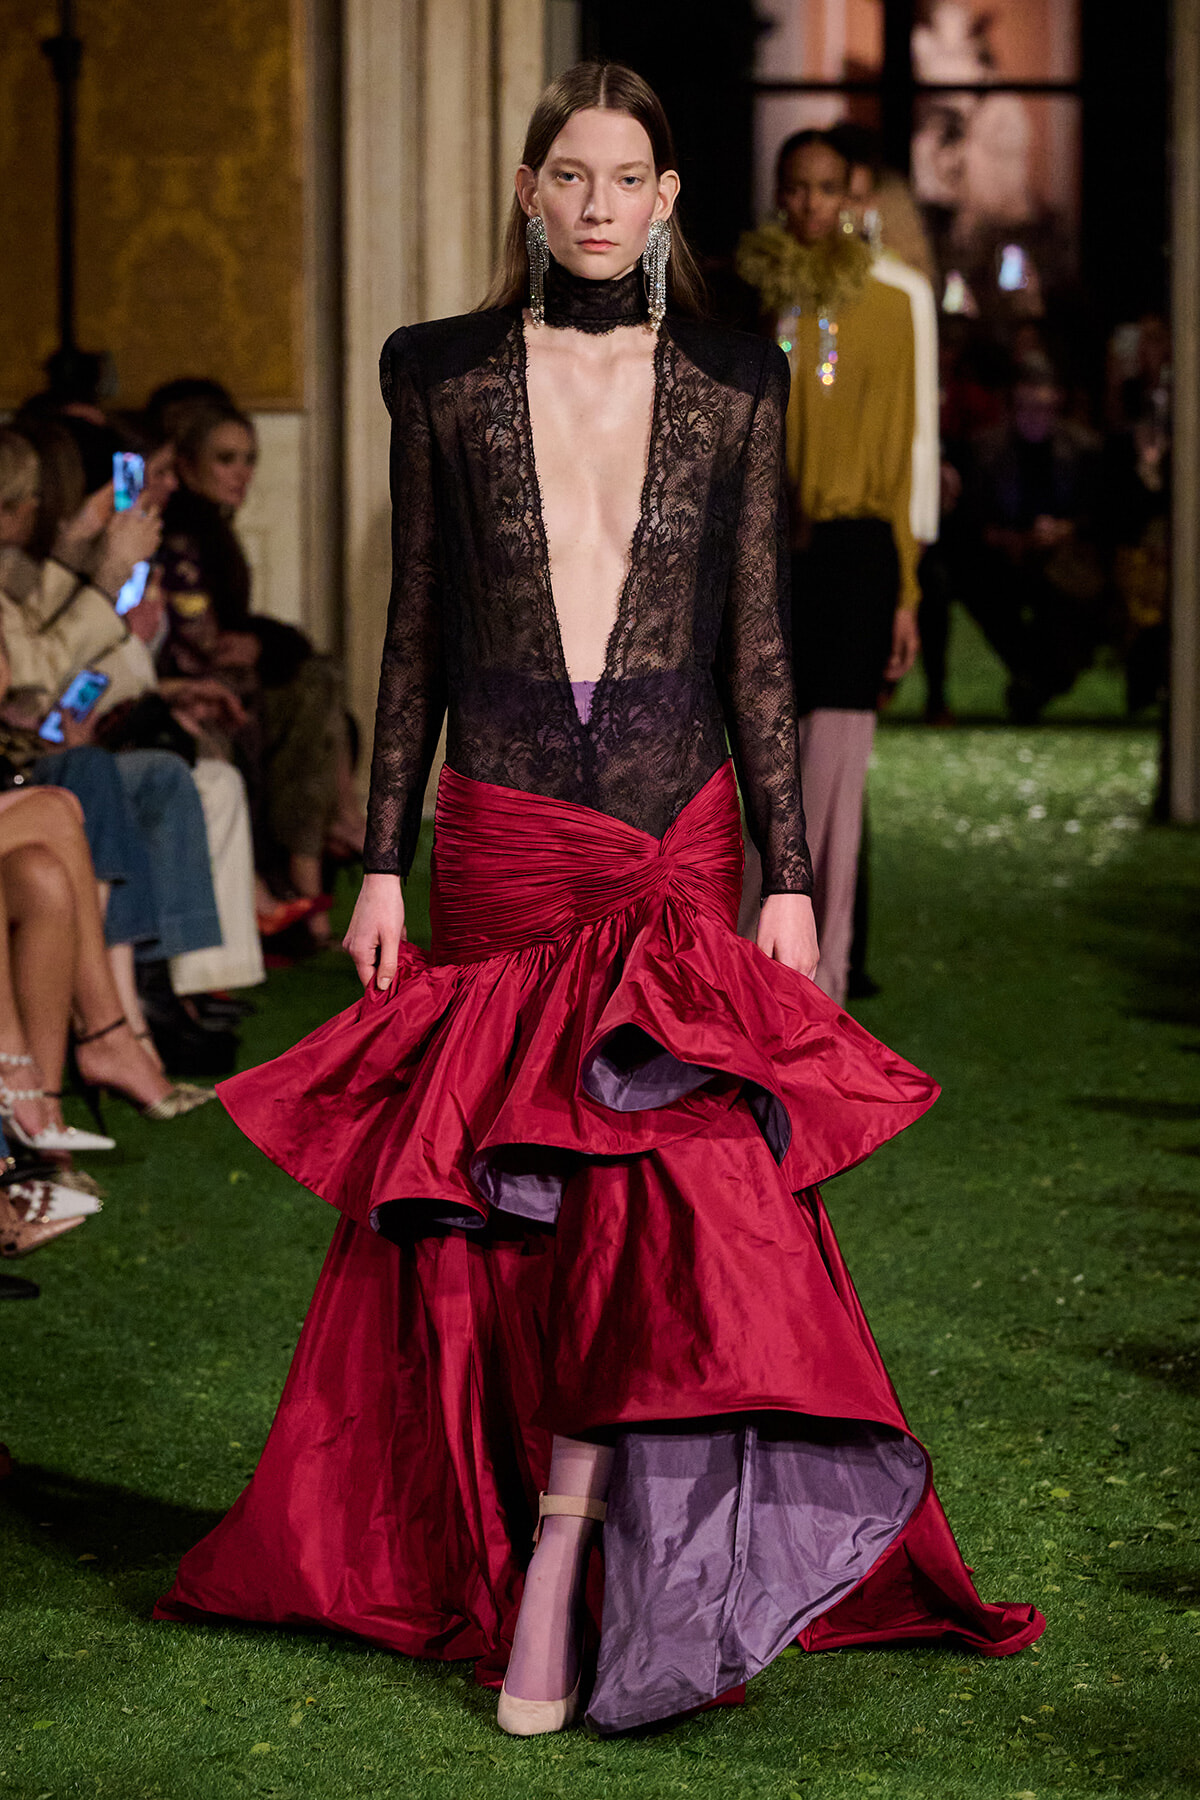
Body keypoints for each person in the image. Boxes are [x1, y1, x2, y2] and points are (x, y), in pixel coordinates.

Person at [157, 64, 1042, 1735]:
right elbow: (415, 626)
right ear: (528, 188)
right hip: (500, 834)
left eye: (625, 178)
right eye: (570, 174)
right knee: (503, 1205)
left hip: (673, 833)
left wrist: (789, 877)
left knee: (669, 1199)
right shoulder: (434, 371)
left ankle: (572, 1551)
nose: (595, 205)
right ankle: (500, 1531)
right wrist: (378, 858)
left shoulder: (734, 376)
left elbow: (759, 640)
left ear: (666, 199)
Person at [737, 131, 921, 1005]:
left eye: (825, 188)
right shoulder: (750, 301)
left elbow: (901, 455)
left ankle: (822, 984)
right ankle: (743, 973)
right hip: (765, 551)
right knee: (757, 769)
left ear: (849, 195)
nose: (810, 204)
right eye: (797, 187)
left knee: (835, 782)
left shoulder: (888, 307)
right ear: (780, 192)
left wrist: (907, 592)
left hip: (855, 556)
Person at [156, 401, 363, 944]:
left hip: (218, 679)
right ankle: (308, 871)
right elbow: (203, 642)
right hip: (187, 686)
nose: (241, 473)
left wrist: (265, 644)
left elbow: (235, 630)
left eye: (249, 459)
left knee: (318, 685)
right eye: (225, 459)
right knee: (314, 685)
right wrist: (267, 645)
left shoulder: (211, 527)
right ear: (186, 465)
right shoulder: (183, 529)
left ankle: (308, 870)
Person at [956, 355, 1105, 721]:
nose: (1034, 417)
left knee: (1070, 603)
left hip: (1064, 562)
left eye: (1042, 407)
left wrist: (1064, 530)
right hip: (1007, 558)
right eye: (1025, 407)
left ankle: (1038, 682)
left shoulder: (1084, 448)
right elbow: (973, 518)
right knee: (978, 582)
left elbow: (1100, 513)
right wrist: (1009, 538)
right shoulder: (987, 448)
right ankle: (1033, 677)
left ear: (1056, 403)